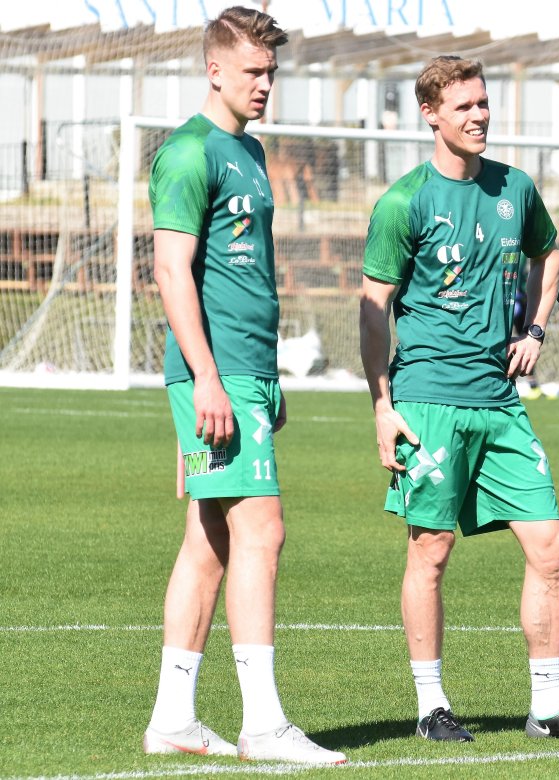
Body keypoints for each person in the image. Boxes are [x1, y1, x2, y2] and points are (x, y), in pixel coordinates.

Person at [359, 55, 559, 743]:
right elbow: (373, 307)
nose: (479, 115)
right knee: (432, 548)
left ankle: (548, 707)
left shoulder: (515, 188)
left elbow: (550, 253)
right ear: (430, 115)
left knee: (553, 546)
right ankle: (431, 706)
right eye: (464, 106)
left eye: (483, 103)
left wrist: (535, 328)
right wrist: (382, 406)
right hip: (429, 401)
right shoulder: (404, 202)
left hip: (500, 403)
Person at [144, 7, 346, 765]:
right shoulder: (188, 153)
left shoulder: (251, 151)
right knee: (263, 530)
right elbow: (171, 270)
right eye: (253, 71)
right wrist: (208, 378)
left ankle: (173, 720)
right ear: (215, 70)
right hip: (216, 371)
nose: (265, 84)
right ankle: (263, 725)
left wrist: (265, 377)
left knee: (211, 542)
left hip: (246, 371)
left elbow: (249, 273)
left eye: (271, 72)